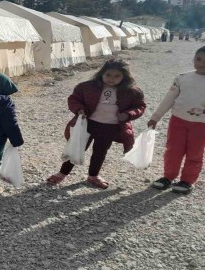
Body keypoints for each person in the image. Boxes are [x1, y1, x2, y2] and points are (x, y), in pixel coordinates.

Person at [148, 44, 205, 194]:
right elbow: (169, 98)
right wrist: (155, 117)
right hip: (178, 120)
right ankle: (168, 177)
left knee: (194, 152)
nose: (202, 63)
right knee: (173, 150)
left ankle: (187, 181)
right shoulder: (182, 77)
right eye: (198, 59)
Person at [47, 59, 146, 189]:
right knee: (76, 148)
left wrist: (128, 115)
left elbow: (140, 106)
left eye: (117, 76)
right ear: (102, 73)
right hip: (87, 124)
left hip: (110, 127)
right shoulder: (87, 87)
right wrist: (79, 110)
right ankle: (62, 173)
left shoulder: (131, 92)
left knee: (100, 152)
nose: (111, 79)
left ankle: (93, 176)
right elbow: (74, 99)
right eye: (108, 75)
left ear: (125, 77)